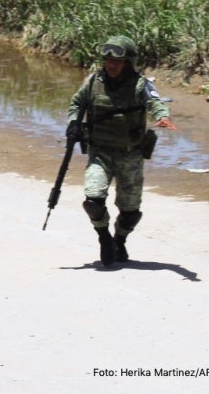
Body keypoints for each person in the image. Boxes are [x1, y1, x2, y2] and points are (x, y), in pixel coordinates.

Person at [67, 35, 177, 266]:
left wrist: (163, 117)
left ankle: (120, 239)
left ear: (128, 63)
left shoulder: (141, 84)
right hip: (100, 152)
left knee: (131, 211)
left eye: (117, 62)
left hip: (131, 154)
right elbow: (77, 103)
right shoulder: (92, 82)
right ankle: (104, 238)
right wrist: (73, 123)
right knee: (93, 200)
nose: (112, 65)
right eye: (108, 61)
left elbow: (155, 103)